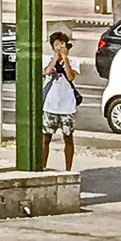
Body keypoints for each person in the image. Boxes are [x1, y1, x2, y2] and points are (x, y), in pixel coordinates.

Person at [41, 31, 80, 171]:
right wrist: (55, 58)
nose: (59, 47)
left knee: (68, 137)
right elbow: (47, 71)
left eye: (61, 44)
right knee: (46, 137)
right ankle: (43, 166)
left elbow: (70, 77)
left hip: (67, 105)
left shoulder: (74, 61)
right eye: (56, 44)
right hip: (50, 104)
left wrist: (66, 59)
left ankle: (68, 168)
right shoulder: (46, 59)